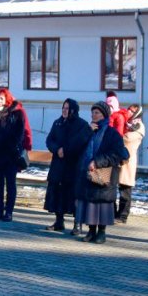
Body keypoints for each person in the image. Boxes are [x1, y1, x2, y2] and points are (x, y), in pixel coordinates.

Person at [73, 102, 128, 244]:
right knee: (90, 203)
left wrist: (98, 162)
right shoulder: (88, 130)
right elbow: (75, 146)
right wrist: (87, 132)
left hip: (105, 173)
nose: (94, 115)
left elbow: (117, 154)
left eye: (97, 112)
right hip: (87, 173)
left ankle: (102, 232)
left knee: (102, 204)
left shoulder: (112, 133)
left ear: (104, 115)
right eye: (92, 112)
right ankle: (91, 231)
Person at [43, 99, 92, 232]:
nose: (64, 110)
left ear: (73, 110)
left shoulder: (82, 125)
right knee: (57, 193)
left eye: (67, 108)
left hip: (73, 165)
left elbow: (81, 142)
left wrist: (66, 150)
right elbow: (49, 140)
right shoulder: (58, 122)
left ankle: (77, 224)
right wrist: (56, 149)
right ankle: (59, 221)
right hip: (58, 165)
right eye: (63, 108)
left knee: (74, 195)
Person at [0, 88, 29, 222]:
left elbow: (20, 133)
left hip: (10, 155)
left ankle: (9, 212)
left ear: (7, 99)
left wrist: (9, 144)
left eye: (1, 98)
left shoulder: (17, 114)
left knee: (11, 184)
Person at [117, 105, 145, 223]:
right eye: (129, 110)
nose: (129, 112)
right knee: (116, 188)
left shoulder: (138, 126)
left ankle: (123, 216)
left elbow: (128, 139)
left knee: (125, 190)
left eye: (132, 111)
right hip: (119, 159)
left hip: (128, 161)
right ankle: (115, 213)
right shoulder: (126, 123)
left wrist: (118, 135)